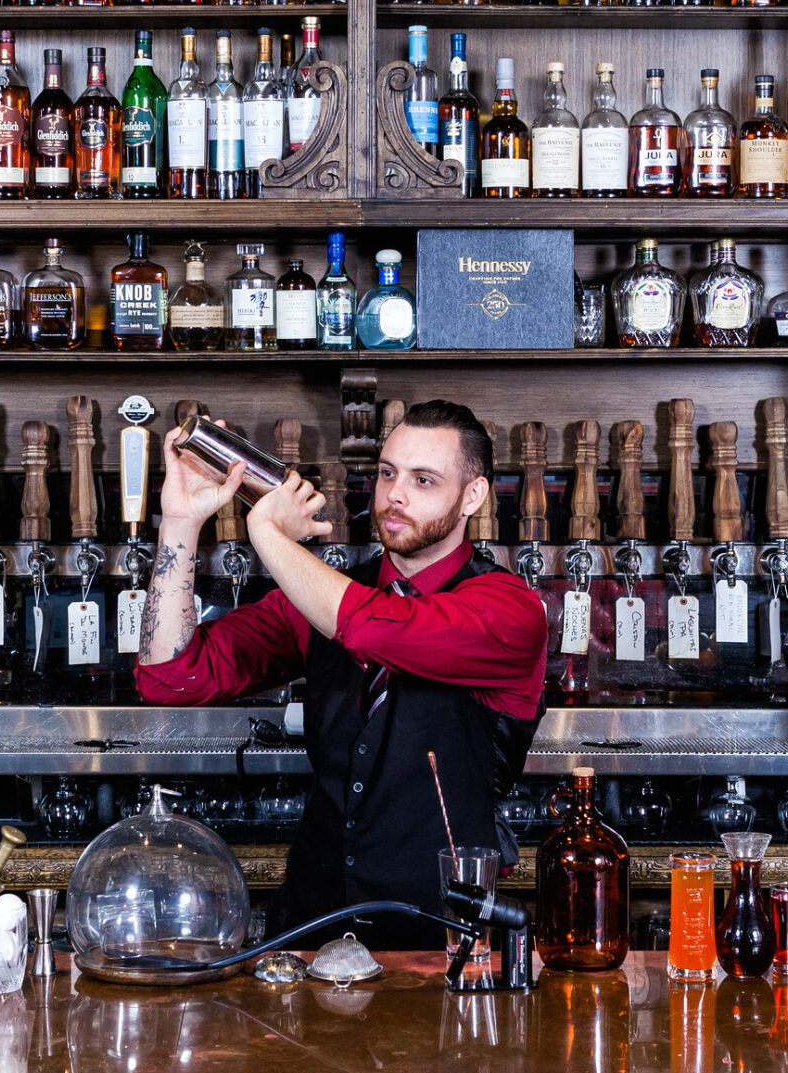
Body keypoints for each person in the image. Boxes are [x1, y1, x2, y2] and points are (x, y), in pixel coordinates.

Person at [134, 400, 548, 947]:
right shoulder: (317, 599)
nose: (394, 494)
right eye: (386, 473)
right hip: (312, 930)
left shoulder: (507, 608)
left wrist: (269, 535)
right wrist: (182, 522)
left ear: (473, 495)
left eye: (424, 480)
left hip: (441, 943)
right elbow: (169, 677)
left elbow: (373, 627)